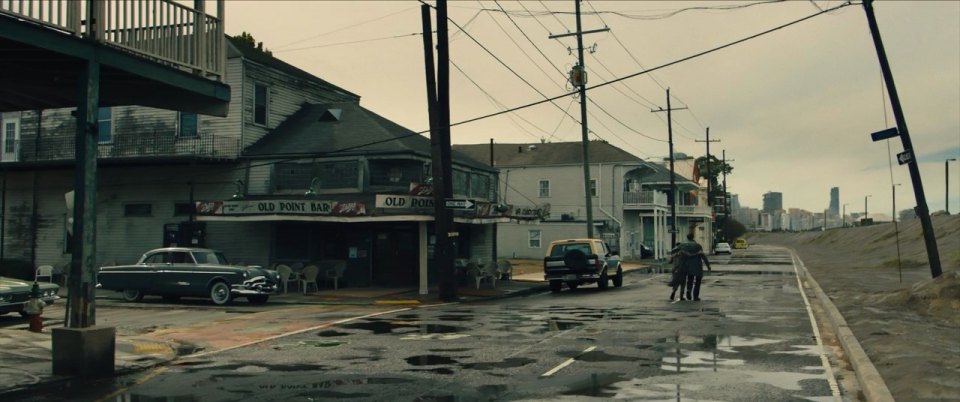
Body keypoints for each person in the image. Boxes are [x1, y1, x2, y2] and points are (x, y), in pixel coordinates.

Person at [679, 233, 712, 301]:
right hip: (697, 265)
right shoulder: (697, 246)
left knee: (690, 280)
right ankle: (695, 296)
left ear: (687, 238)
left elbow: (680, 256)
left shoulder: (683, 246)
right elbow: (703, 256)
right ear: (693, 237)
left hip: (687, 265)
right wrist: (708, 265)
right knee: (698, 282)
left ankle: (688, 290)